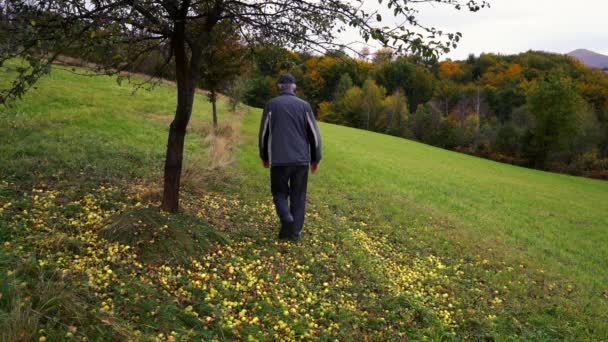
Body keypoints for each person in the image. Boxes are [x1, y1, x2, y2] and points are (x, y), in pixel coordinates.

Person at [258, 73, 322, 241]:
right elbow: (314, 135)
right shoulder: (305, 106)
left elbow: (264, 134)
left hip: (278, 160)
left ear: (279, 87)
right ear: (294, 87)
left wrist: (264, 156)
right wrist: (316, 158)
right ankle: (294, 233)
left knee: (279, 193)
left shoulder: (271, 105)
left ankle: (286, 219)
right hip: (301, 161)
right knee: (298, 197)